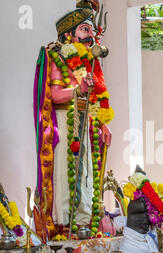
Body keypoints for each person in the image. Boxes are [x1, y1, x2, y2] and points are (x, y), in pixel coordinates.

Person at [33, 0, 114, 239]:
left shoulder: (88, 62)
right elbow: (56, 96)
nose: (92, 35)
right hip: (65, 124)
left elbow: (92, 100)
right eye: (85, 30)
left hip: (84, 124)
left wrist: (101, 123)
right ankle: (63, 225)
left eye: (91, 30)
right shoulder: (58, 58)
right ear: (69, 35)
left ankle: (83, 222)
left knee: (85, 173)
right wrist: (78, 89)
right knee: (67, 176)